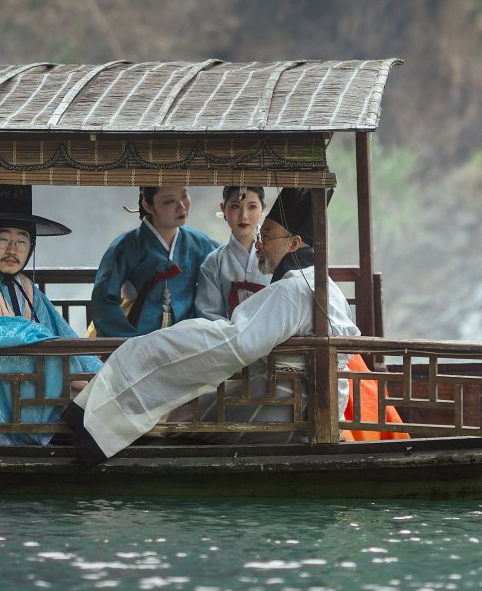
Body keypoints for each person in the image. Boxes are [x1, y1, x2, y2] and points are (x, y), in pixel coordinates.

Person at [65, 188, 362, 462]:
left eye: (267, 236)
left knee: (174, 406)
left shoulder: (294, 289)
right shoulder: (319, 283)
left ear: (294, 243)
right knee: (182, 389)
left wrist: (155, 346)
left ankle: (98, 426)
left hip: (285, 406)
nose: (258, 244)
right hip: (309, 403)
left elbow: (237, 341)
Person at [0, 184, 100, 445]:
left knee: (74, 366)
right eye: (4, 239)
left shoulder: (26, 288)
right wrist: (29, 331)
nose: (12, 250)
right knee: (39, 355)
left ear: (31, 247)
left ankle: (89, 403)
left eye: (21, 241)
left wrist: (100, 374)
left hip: (24, 392)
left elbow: (63, 334)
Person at [88, 185, 217, 337]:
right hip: (139, 338)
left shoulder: (199, 242)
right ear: (147, 205)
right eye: (169, 201)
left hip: (187, 340)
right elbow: (103, 299)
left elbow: (224, 263)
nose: (181, 206)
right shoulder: (126, 246)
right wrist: (128, 341)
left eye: (184, 196)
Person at [195, 185, 269, 319]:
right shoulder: (213, 263)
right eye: (235, 206)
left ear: (263, 208)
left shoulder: (277, 255)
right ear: (223, 208)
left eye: (252, 207)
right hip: (228, 337)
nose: (243, 216)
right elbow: (208, 315)